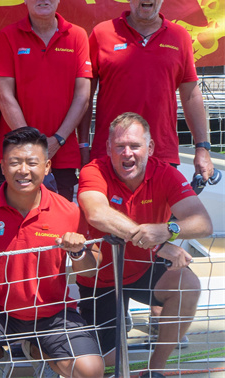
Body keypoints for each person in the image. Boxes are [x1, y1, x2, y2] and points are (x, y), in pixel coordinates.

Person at [0, 127, 104, 378]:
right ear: (2, 166)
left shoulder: (69, 212)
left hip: (53, 313)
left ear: (47, 167)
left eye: (32, 162)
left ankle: (38, 350)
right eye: (14, 162)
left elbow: (92, 268)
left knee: (91, 371)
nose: (23, 170)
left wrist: (78, 252)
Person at [77, 112, 213, 377]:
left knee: (188, 285)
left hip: (143, 269)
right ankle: (120, 319)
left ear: (150, 148)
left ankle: (155, 370)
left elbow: (203, 223)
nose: (127, 153)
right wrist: (157, 245)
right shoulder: (93, 170)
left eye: (135, 145)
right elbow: (96, 213)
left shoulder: (166, 173)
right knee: (107, 364)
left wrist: (168, 230)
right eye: (120, 146)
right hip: (101, 277)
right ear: (108, 147)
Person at [81, 0, 214, 182]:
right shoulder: (102, 33)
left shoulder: (179, 36)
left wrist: (202, 148)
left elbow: (190, 95)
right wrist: (83, 145)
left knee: (165, 208)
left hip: (161, 154)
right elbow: (84, 97)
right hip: (111, 154)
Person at [0, 0, 91, 201]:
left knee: (57, 220)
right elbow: (4, 96)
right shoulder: (9, 36)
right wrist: (31, 144)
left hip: (62, 154)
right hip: (15, 152)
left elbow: (83, 97)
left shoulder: (77, 36)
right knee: (7, 218)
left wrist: (58, 140)